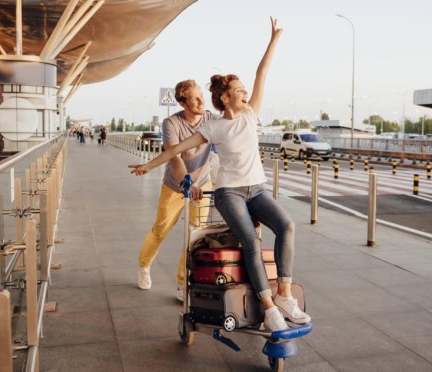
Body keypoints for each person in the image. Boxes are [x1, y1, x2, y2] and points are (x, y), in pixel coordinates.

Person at [129, 18, 310, 331]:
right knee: (249, 242)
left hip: (256, 188)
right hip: (227, 192)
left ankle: (283, 295)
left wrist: (274, 40)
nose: (245, 93)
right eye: (239, 91)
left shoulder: (250, 113)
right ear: (226, 97)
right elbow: (176, 151)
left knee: (287, 225)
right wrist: (148, 165)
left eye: (243, 90)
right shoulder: (211, 126)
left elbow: (261, 72)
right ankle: (268, 310)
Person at [130, 80, 220, 301]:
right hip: (176, 186)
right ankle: (144, 266)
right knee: (161, 229)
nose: (201, 101)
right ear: (182, 102)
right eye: (195, 98)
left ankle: (183, 283)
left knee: (194, 235)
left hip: (203, 184)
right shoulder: (172, 123)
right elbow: (175, 157)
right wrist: (188, 182)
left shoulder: (211, 119)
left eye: (201, 96)